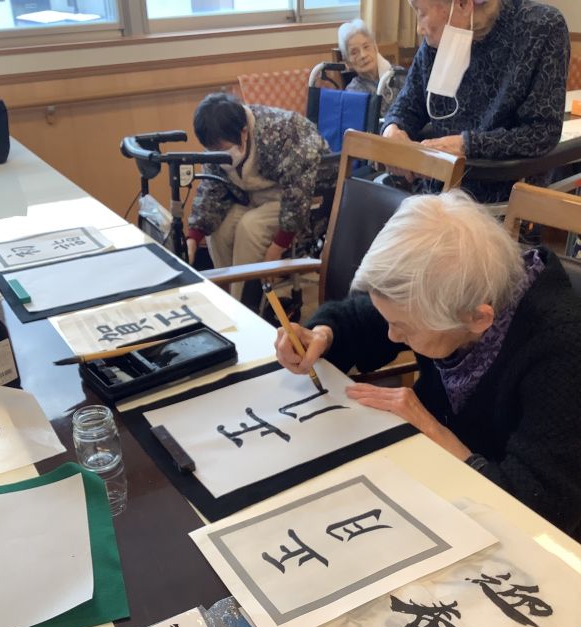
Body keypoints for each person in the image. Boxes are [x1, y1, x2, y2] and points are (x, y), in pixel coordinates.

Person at [274, 190, 581, 539]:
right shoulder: (448, 292)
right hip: (433, 479)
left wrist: (434, 431)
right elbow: (362, 321)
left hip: (504, 526)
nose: (391, 335)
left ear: (478, 319)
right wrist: (323, 336)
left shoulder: (561, 349)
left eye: (404, 329)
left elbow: (543, 509)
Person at [382, 0, 570, 202]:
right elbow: (407, 106)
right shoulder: (438, 42)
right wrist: (392, 130)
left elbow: (542, 132)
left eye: (421, 13)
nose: (419, 29)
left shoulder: (542, 26)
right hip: (436, 194)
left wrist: (466, 145)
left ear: (462, 5)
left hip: (504, 200)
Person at [186, 92, 335, 310]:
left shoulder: (285, 130)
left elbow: (298, 192)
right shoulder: (220, 139)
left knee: (251, 227)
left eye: (222, 149)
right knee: (221, 229)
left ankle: (244, 307)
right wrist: (193, 236)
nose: (217, 154)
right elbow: (211, 188)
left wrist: (278, 247)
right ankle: (225, 297)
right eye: (212, 149)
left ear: (244, 132)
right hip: (256, 198)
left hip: (303, 200)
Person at [337, 18, 392, 95]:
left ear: (375, 47)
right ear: (348, 62)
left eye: (366, 47)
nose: (363, 55)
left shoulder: (399, 75)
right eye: (354, 52)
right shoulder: (353, 92)